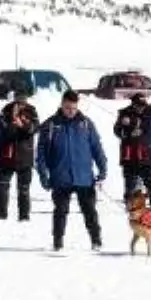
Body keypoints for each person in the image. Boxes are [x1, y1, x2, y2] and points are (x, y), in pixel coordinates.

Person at [36, 90, 107, 251]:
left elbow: (96, 147)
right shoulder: (50, 125)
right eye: (68, 108)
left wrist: (102, 167)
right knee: (61, 211)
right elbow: (40, 153)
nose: (71, 111)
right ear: (62, 104)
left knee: (89, 210)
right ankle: (58, 241)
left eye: (74, 108)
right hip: (60, 177)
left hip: (84, 177)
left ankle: (96, 240)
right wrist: (43, 174)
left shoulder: (86, 124)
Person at [0, 91, 39, 221]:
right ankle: (1, 215)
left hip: (25, 156)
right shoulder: (5, 112)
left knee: (24, 189)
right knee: (3, 186)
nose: (21, 104)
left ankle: (24, 216)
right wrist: (12, 120)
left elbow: (34, 129)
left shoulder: (32, 112)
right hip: (7, 156)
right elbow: (3, 132)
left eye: (23, 101)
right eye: (19, 101)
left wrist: (23, 125)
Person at [113, 93, 151, 209]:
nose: (141, 108)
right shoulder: (124, 113)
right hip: (129, 156)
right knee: (130, 186)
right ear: (133, 104)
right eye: (138, 105)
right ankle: (130, 209)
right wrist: (127, 132)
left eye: (143, 105)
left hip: (145, 156)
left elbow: (148, 124)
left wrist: (136, 125)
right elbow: (117, 130)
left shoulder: (149, 113)